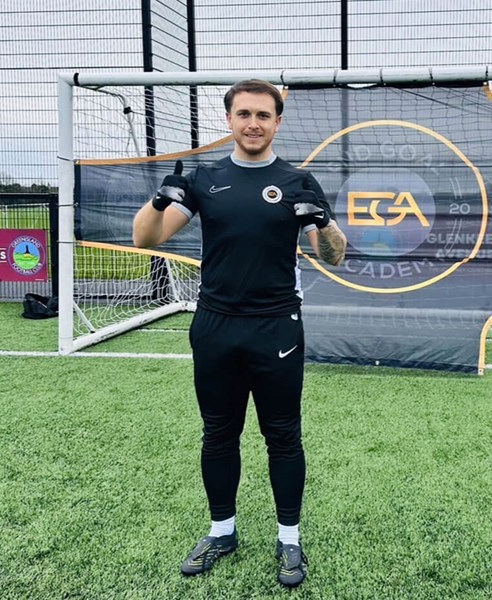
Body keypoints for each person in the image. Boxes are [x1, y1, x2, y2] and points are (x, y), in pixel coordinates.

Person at [132, 79, 347, 587]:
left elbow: (335, 255)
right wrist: (159, 201)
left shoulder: (298, 181)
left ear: (278, 122)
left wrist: (323, 223)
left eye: (263, 115)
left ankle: (289, 539)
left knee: (283, 436)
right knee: (218, 433)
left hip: (277, 327)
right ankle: (221, 532)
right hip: (215, 326)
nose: (253, 124)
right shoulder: (205, 180)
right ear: (229, 119)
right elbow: (145, 238)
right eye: (244, 114)